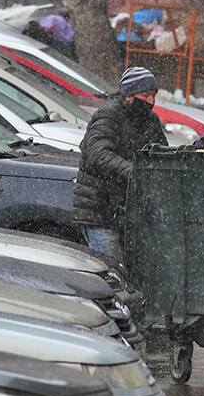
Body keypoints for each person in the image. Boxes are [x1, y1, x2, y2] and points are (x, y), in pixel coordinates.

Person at [71, 66, 167, 261]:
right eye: (145, 95)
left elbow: (160, 152)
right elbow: (97, 152)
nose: (151, 101)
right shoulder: (109, 115)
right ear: (129, 95)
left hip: (128, 214)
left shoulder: (150, 120)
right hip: (100, 210)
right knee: (111, 267)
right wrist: (132, 171)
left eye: (153, 96)